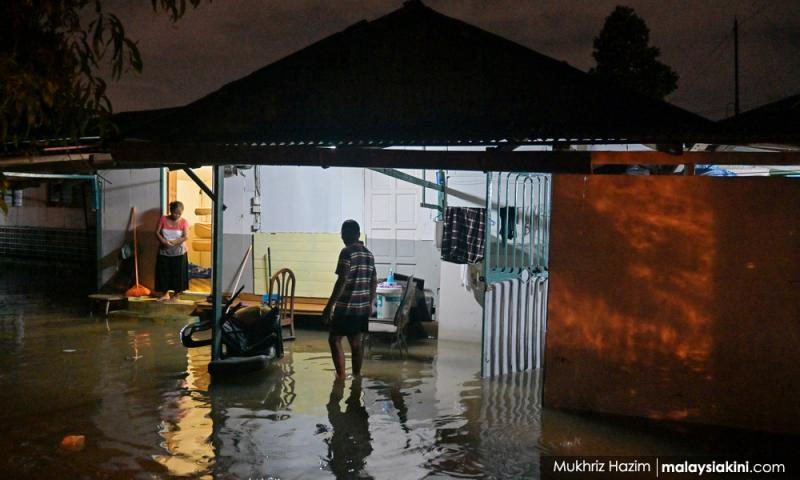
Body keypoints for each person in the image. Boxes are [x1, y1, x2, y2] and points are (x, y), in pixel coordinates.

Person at [322, 220, 377, 380]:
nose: (343, 236)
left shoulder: (346, 252)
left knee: (334, 339)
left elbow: (342, 280)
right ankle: (357, 375)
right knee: (355, 341)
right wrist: (370, 303)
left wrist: (329, 306)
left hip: (346, 307)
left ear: (353, 234)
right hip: (362, 308)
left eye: (344, 233)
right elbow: (374, 281)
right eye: (342, 232)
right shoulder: (368, 254)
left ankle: (341, 376)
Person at [155, 201, 189, 301]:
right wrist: (164, 241)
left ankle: (176, 295)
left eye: (179, 213)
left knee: (177, 273)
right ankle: (165, 294)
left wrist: (175, 242)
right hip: (164, 250)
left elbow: (186, 236)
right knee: (164, 273)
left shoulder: (184, 221)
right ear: (171, 211)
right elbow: (157, 232)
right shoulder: (163, 218)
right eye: (175, 213)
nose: (177, 215)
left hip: (179, 251)